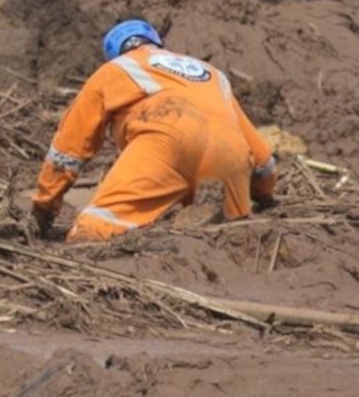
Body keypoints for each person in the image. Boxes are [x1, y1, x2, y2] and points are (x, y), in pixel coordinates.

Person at [32, 18, 277, 241]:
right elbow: (262, 159)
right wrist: (263, 195)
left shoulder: (115, 69)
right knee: (229, 239)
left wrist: (44, 207)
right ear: (158, 43)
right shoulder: (213, 74)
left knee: (93, 233)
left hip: (168, 140)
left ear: (114, 53)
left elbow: (69, 150)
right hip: (230, 153)